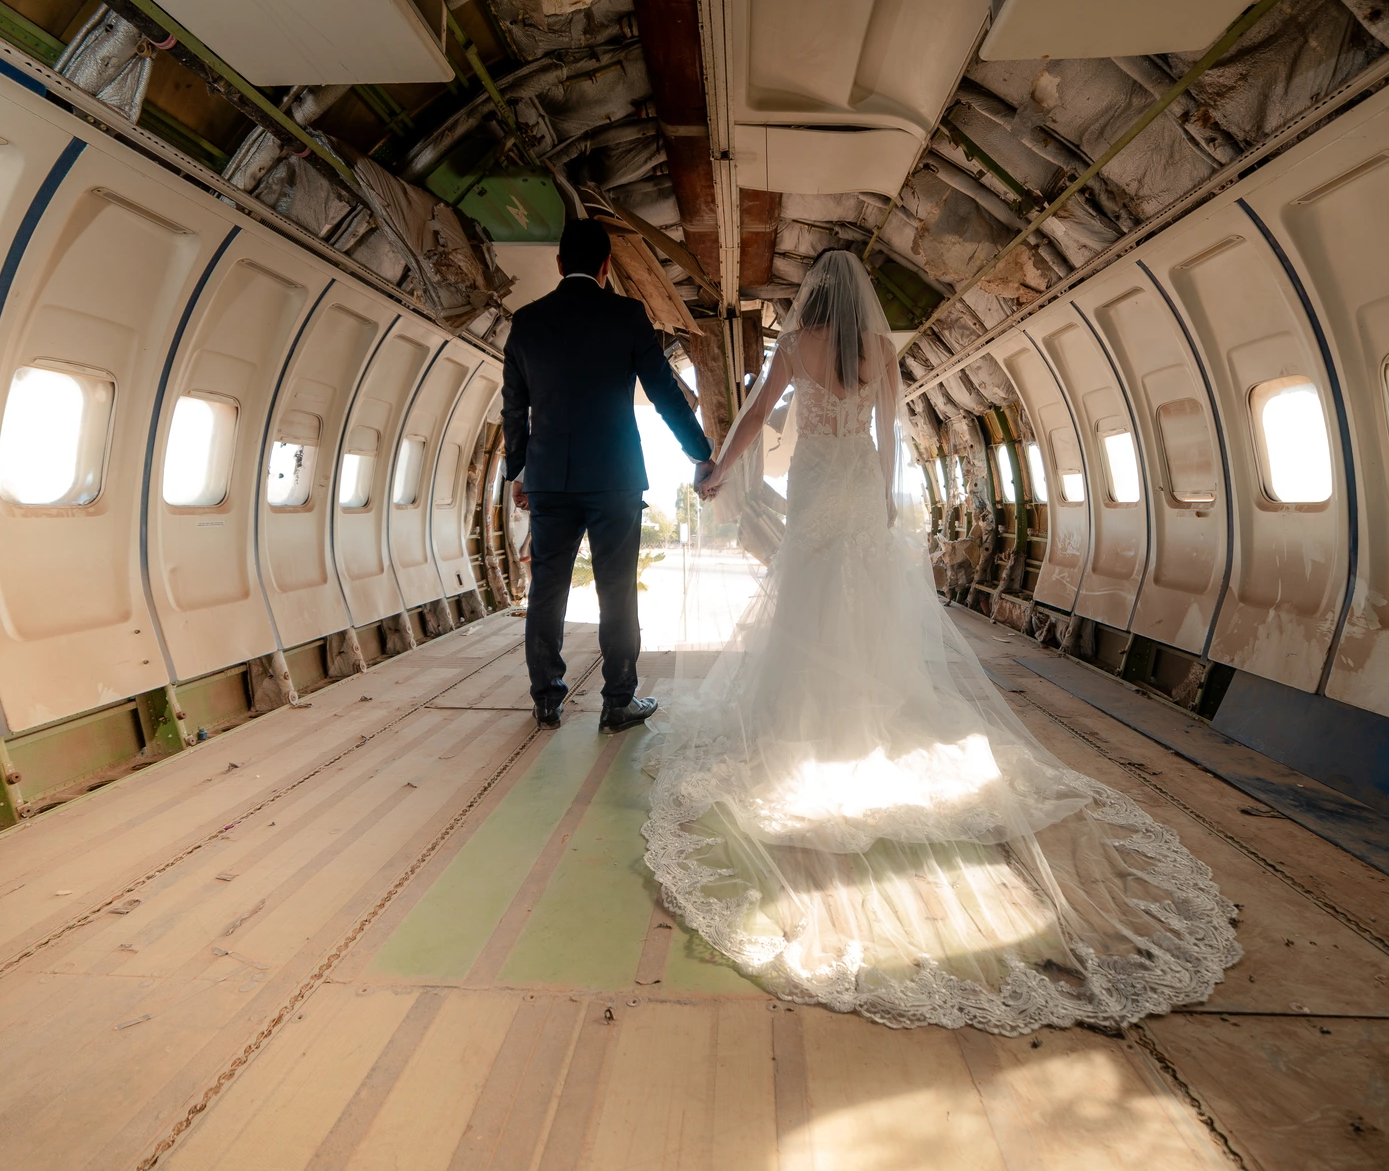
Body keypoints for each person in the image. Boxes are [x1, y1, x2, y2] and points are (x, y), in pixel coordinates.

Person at [645, 249, 1241, 1036]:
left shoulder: (796, 348)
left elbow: (757, 416)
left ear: (812, 299)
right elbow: (893, 428)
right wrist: (891, 499)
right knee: (861, 598)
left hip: (819, 479)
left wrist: (717, 469)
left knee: (808, 593)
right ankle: (867, 709)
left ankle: (809, 721)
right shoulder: (880, 351)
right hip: (858, 477)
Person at [502, 219, 715, 731]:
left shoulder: (527, 321)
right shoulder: (627, 316)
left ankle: (546, 698)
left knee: (547, 586)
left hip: (549, 478)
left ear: (558, 264)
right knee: (616, 589)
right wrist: (699, 452)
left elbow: (514, 406)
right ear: (606, 266)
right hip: (615, 477)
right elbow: (665, 392)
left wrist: (517, 469)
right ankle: (618, 700)